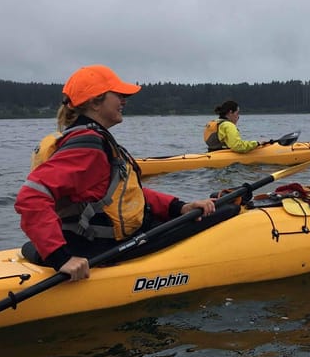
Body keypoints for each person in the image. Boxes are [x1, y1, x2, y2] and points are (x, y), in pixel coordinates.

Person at [15, 64, 216, 281]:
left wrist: (179, 207)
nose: (124, 101)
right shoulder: (87, 145)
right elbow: (31, 196)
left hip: (96, 237)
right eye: (118, 95)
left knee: (210, 210)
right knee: (224, 213)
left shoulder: (90, 138)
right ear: (94, 102)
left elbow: (123, 193)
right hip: (98, 246)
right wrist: (60, 258)